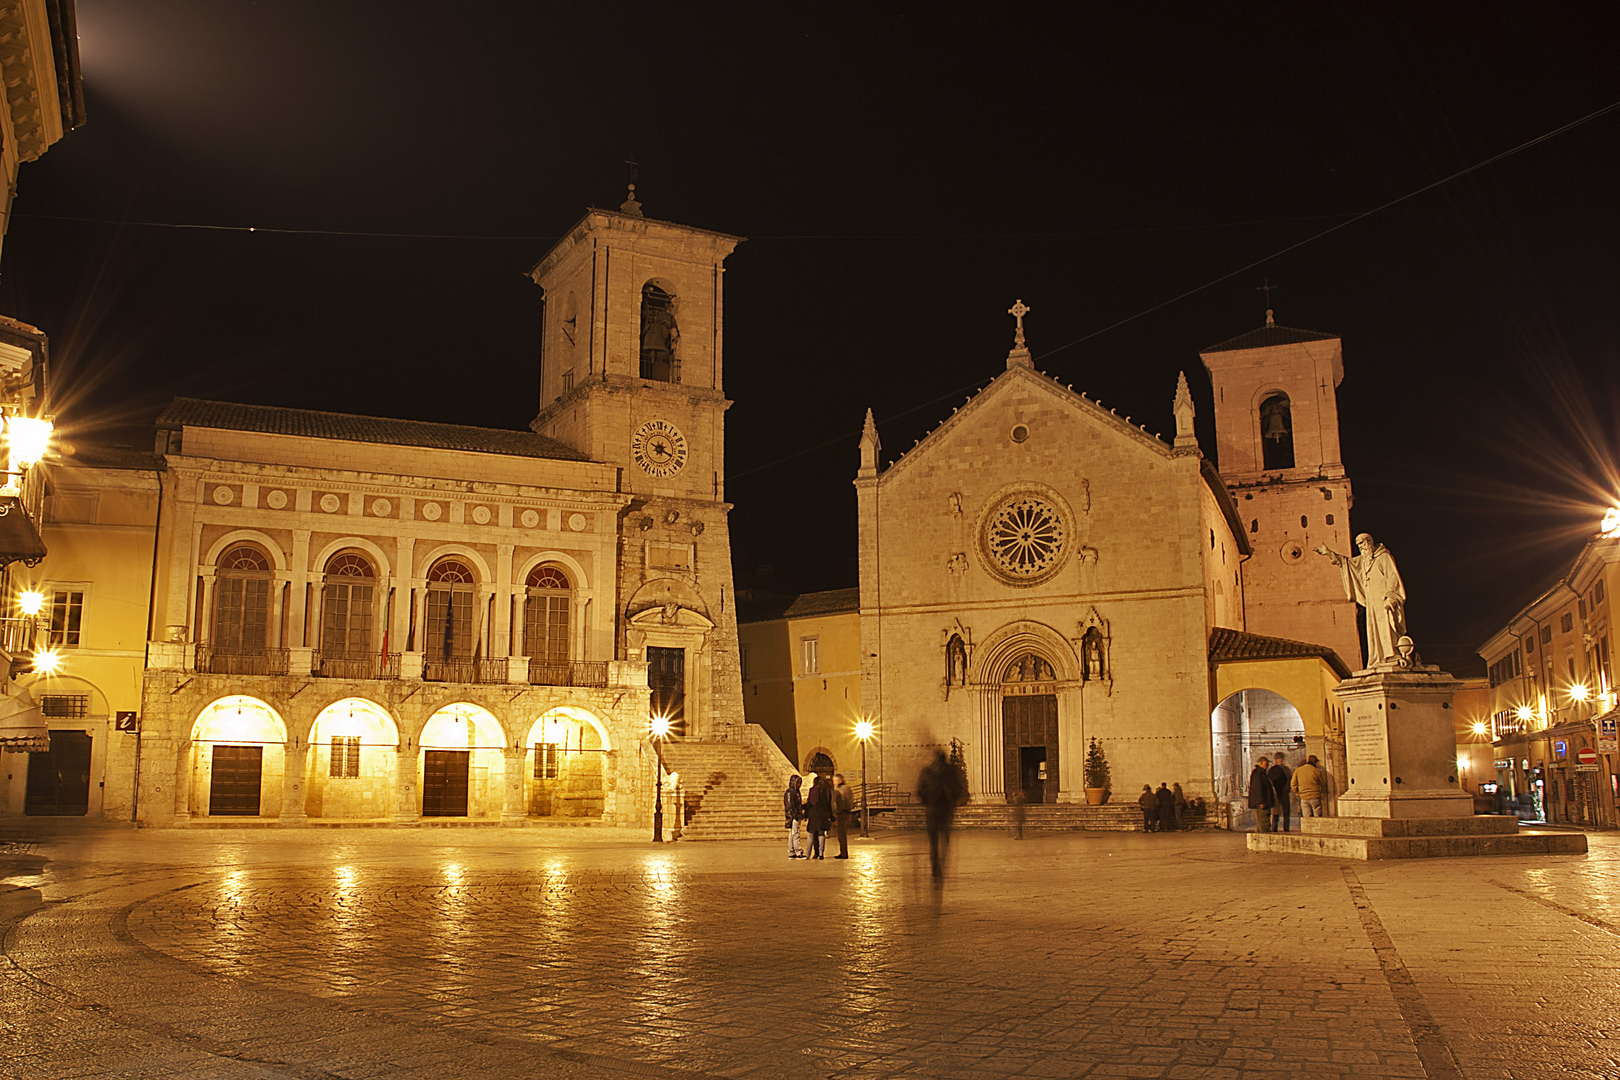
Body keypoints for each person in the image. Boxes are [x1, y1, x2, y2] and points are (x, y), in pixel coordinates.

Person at [1316, 532, 1407, 668]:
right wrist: (1328, 553)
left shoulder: (1384, 557)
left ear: (1369, 542)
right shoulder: (1364, 560)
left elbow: (1393, 577)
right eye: (1358, 545)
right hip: (1372, 602)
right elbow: (1346, 563)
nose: (1361, 547)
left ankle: (1391, 654)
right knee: (1373, 629)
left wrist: (1390, 597)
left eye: (1363, 543)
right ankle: (1377, 658)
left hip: (1383, 600)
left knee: (1386, 627)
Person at [917, 749, 967, 881]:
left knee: (933, 843)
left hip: (931, 811)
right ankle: (942, 866)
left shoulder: (927, 771)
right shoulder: (950, 771)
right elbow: (957, 789)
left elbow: (919, 791)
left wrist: (927, 802)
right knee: (944, 841)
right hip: (944, 811)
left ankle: (935, 869)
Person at [805, 774, 834, 860]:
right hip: (823, 814)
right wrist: (831, 816)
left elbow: (809, 803)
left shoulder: (812, 790)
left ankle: (809, 853)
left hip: (813, 814)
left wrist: (805, 814)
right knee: (821, 834)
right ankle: (821, 853)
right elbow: (829, 804)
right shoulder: (826, 791)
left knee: (811, 834)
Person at [1268, 754, 1293, 833]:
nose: (1280, 760)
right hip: (1276, 793)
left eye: (1281, 758)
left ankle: (1286, 828)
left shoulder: (1286, 769)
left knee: (1286, 812)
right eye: (1279, 759)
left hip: (1284, 792)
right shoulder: (1272, 770)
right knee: (1276, 812)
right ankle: (1274, 828)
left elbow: (1290, 780)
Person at [831, 772, 855, 858]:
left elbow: (838, 803)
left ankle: (843, 853)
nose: (834, 782)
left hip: (842, 814)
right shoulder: (848, 788)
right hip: (849, 813)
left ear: (840, 781)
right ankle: (843, 852)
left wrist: (835, 813)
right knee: (843, 834)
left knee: (841, 835)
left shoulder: (838, 790)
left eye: (836, 780)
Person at [1248, 756, 1273, 832]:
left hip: (1264, 802)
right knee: (1263, 823)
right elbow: (1258, 788)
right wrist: (1262, 801)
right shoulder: (1258, 774)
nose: (1267, 765)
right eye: (1266, 764)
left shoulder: (1261, 773)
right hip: (1261, 803)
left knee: (1262, 823)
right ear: (1261, 763)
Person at [783, 775, 806, 859]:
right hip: (793, 816)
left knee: (792, 834)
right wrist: (795, 815)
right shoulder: (790, 792)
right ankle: (798, 851)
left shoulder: (796, 792)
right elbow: (790, 805)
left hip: (796, 815)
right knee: (795, 834)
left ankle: (791, 851)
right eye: (798, 783)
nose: (799, 784)